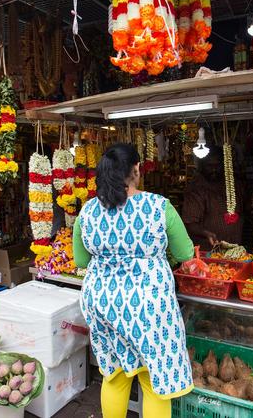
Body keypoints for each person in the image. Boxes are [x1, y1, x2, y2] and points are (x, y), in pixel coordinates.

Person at [73, 143, 195, 417]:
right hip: (148, 305)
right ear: (136, 170)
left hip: (102, 302)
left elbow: (81, 261)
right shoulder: (159, 206)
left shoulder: (88, 211)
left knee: (115, 377)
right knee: (153, 383)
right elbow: (185, 253)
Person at [182, 145, 245, 250]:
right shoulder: (197, 188)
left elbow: (245, 207)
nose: (214, 170)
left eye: (217, 165)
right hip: (209, 250)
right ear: (202, 166)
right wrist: (206, 233)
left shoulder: (233, 183)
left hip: (235, 248)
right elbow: (190, 223)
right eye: (209, 166)